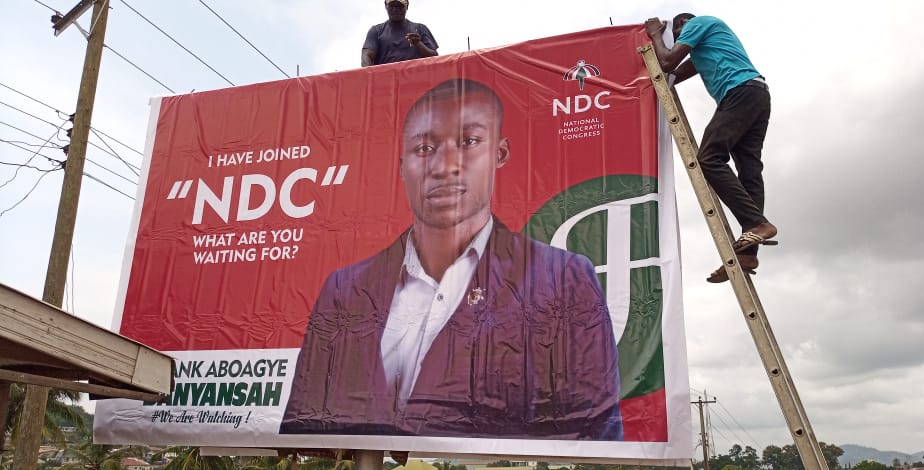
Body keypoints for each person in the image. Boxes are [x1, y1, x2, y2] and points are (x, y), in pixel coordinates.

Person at [280, 78, 624, 440]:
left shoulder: (563, 279)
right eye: (424, 148)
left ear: (500, 153)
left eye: (468, 142)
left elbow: (593, 428)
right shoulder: (345, 289)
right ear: (401, 166)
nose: (444, 166)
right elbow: (304, 419)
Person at [644, 14, 777, 283]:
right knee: (749, 172)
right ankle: (748, 253)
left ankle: (757, 224)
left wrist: (656, 35)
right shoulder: (702, 52)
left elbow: (668, 59)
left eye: (680, 29)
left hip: (741, 92)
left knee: (708, 158)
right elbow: (668, 74)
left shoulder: (699, 23)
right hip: (756, 94)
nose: (680, 34)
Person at [361, 0, 438, 67]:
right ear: (385, 6)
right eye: (392, 6)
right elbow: (366, 57)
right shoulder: (376, 31)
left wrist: (419, 44)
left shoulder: (420, 28)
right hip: (386, 81)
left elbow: (435, 58)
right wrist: (372, 78)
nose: (395, 9)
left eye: (399, 6)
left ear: (407, 6)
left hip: (416, 80)